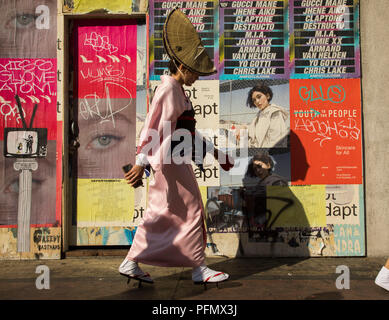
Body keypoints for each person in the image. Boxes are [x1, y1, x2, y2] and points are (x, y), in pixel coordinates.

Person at [118, 9, 233, 286]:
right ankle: (198, 269)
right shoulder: (169, 89)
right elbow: (153, 127)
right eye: (195, 71)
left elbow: (186, 132)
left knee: (164, 212)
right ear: (182, 67)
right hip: (168, 162)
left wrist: (215, 153)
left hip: (172, 161)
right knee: (189, 209)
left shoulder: (176, 90)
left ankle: (132, 261)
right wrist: (140, 162)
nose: (197, 77)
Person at [246, 84, 289, 148]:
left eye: (259, 97)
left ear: (267, 96)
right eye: (254, 100)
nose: (257, 101)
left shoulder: (275, 113)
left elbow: (276, 141)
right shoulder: (258, 115)